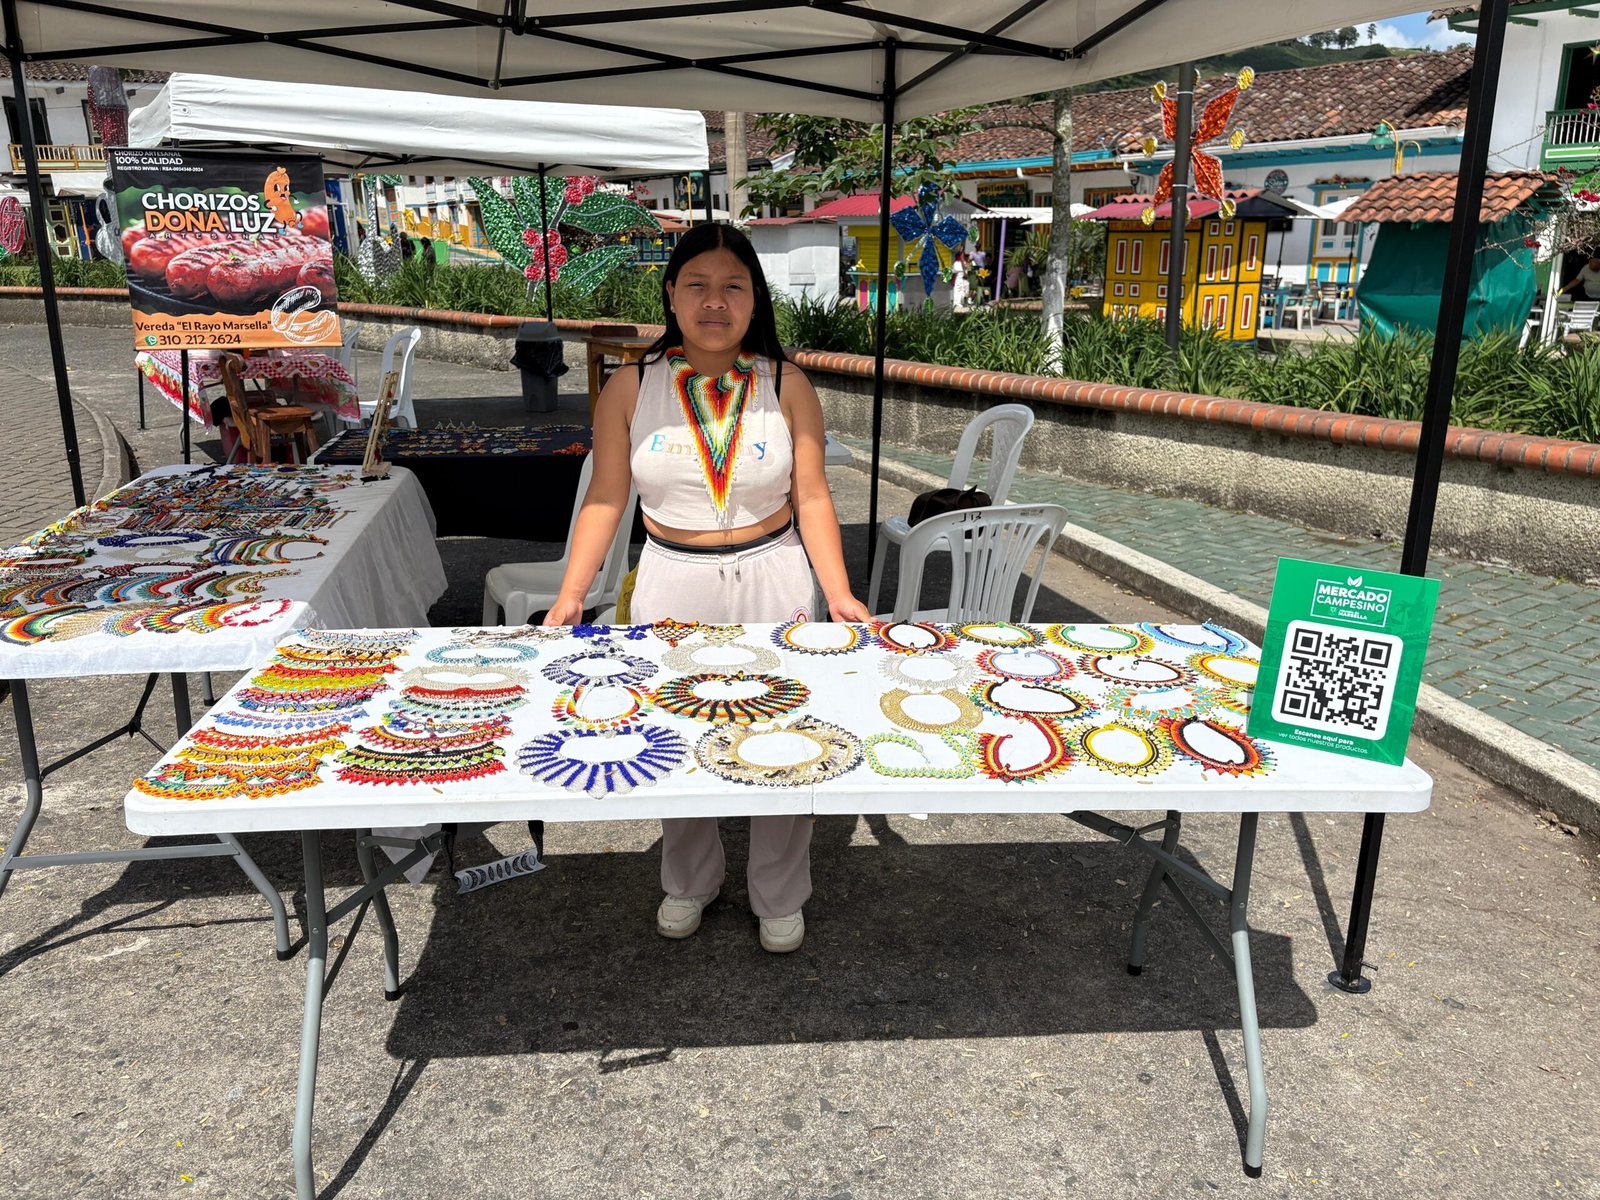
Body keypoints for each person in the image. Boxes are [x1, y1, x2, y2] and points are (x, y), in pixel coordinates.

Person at [542, 222, 870, 954]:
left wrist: (840, 591)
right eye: (697, 285)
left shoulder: (786, 384)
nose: (714, 302)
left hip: (775, 575)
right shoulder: (632, 386)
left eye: (733, 287)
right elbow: (606, 496)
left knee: (785, 734)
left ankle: (779, 892)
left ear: (755, 300)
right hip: (671, 580)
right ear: (671, 294)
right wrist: (572, 593)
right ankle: (690, 878)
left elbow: (813, 495)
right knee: (677, 735)